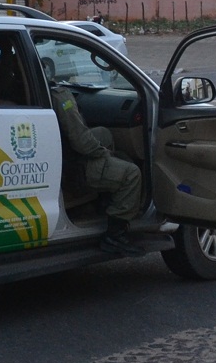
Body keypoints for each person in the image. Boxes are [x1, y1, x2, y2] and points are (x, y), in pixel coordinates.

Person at [51, 85, 147, 257]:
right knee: (131, 173)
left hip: (60, 159)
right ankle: (115, 237)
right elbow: (81, 141)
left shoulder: (19, 87)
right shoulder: (58, 95)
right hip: (72, 169)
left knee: (104, 134)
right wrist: (103, 152)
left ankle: (102, 202)